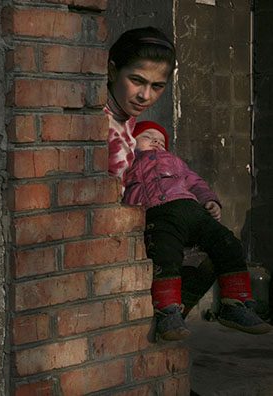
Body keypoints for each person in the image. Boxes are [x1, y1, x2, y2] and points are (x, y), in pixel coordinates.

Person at [123, 121, 271, 340]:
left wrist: (210, 200)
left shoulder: (176, 163)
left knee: (227, 242)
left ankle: (235, 304)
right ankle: (168, 312)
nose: (156, 141)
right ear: (130, 142)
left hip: (192, 210)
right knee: (166, 255)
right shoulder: (128, 162)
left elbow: (197, 184)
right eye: (148, 136)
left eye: (161, 140)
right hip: (159, 214)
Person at [105, 26, 214, 321]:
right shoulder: (98, 121)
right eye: (136, 81)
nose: (145, 95)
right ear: (113, 71)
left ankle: (170, 317)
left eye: (157, 86)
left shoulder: (129, 123)